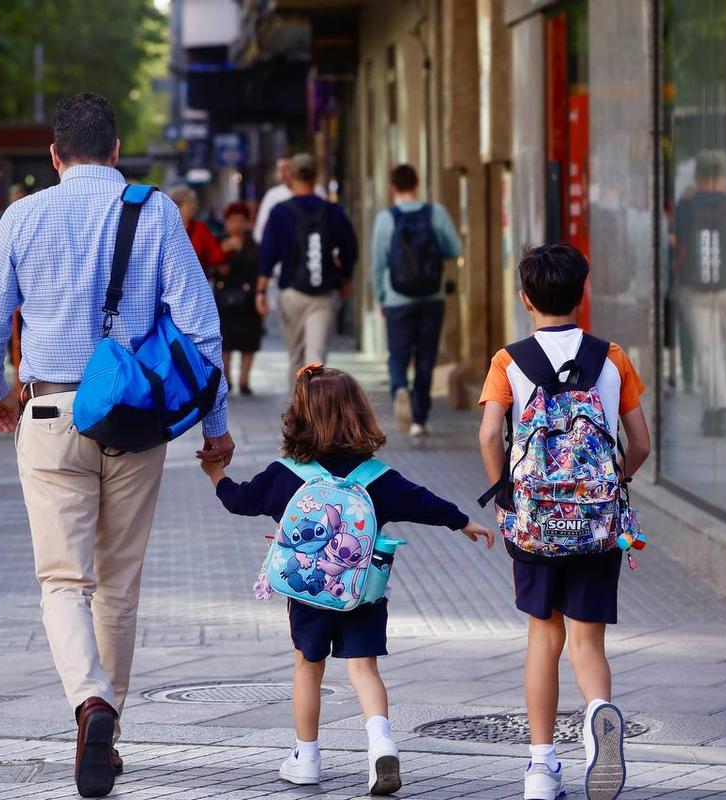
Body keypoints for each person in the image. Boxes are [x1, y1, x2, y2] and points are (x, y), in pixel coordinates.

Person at [0, 92, 231, 798]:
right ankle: (110, 729)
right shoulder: (157, 212)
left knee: (62, 580)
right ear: (118, 151)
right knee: (119, 584)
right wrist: (215, 426)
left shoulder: (23, 215)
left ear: (54, 156)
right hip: (136, 419)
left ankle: (91, 705)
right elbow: (202, 330)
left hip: (50, 411)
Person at [200, 364, 495, 795]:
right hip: (363, 594)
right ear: (359, 414)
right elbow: (423, 502)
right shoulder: (377, 477)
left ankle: (307, 757)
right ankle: (381, 747)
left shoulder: (286, 474)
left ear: (299, 417)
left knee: (308, 667)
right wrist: (463, 521)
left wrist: (216, 475)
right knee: (364, 669)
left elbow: (240, 500)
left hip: (307, 593)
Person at [477, 243, 650, 800]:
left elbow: (487, 436)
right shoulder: (612, 356)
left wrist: (507, 495)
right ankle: (599, 715)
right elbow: (641, 443)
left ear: (525, 298)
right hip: (599, 524)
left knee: (542, 637)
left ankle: (540, 767)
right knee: (588, 642)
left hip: (534, 523)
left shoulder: (508, 360)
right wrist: (613, 485)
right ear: (584, 295)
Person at [370, 164, 462, 437]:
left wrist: (381, 297)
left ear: (393, 188)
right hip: (432, 296)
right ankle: (419, 419)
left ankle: (400, 388)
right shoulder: (437, 213)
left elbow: (378, 262)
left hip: (397, 298)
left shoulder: (386, 219)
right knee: (426, 355)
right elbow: (454, 249)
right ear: (417, 183)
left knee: (398, 353)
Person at [257, 153, 358, 382]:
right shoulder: (333, 211)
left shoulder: (280, 212)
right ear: (316, 177)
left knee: (295, 358)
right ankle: (314, 413)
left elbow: (267, 255)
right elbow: (350, 249)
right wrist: (345, 279)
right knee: (316, 358)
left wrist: (261, 290)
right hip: (324, 292)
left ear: (290, 177)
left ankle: (297, 411)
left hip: (291, 292)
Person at [672, 151, 726, 436]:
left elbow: (677, 241)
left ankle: (715, 410)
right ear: (722, 177)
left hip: (695, 290)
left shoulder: (686, 205)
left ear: (698, 177)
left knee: (708, 353)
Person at [215, 202, 264, 395]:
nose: (236, 225)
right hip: (225, 300)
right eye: (232, 221)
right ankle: (227, 379)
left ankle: (245, 380)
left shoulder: (254, 245)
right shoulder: (219, 242)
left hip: (249, 300)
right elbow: (211, 267)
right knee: (225, 342)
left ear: (247, 223)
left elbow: (260, 269)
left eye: (240, 221)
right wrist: (223, 253)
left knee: (249, 341)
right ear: (226, 222)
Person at [167, 185, 226, 279]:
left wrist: (224, 249)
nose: (194, 206)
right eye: (189, 203)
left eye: (194, 202)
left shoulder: (201, 228)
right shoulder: (166, 229)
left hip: (197, 281)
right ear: (177, 206)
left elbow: (215, 256)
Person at [253, 157, 293, 244]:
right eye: (280, 170)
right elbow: (260, 231)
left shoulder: (316, 191)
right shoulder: (272, 195)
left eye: (286, 169)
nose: (282, 174)